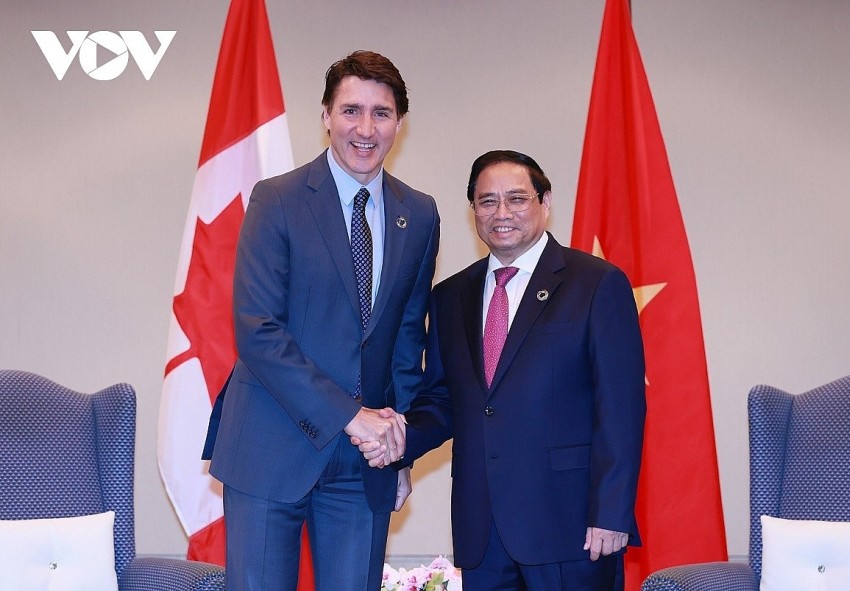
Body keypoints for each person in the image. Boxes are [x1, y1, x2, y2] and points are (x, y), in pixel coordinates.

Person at [202, 50, 440, 591]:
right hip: (270, 449)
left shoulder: (420, 212)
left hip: (364, 466)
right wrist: (352, 416)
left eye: (381, 113)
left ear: (399, 123)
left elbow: (406, 342)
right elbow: (258, 332)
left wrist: (399, 448)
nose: (365, 128)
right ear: (326, 116)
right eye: (351, 110)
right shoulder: (278, 199)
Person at [357, 150, 646, 590]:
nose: (502, 213)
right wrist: (399, 443)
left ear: (545, 201)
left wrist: (611, 512)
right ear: (473, 209)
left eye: (517, 198)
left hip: (571, 529)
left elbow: (621, 409)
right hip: (482, 531)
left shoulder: (596, 284)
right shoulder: (450, 296)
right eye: (487, 201)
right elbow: (443, 400)